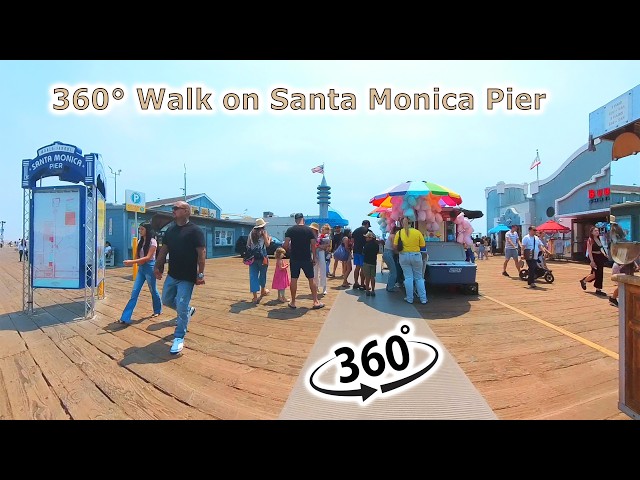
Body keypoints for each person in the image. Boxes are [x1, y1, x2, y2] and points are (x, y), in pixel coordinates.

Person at [154, 200, 206, 354]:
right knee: (167, 300)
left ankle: (179, 337)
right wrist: (158, 266)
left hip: (187, 276)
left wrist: (200, 273)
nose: (173, 210)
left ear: (186, 211)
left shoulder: (195, 231)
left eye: (176, 208)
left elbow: (201, 254)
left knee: (181, 305)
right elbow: (163, 251)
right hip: (172, 274)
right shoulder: (170, 231)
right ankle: (188, 311)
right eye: (173, 208)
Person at [119, 223, 162, 324]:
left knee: (153, 290)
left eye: (142, 229)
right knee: (135, 292)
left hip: (150, 268)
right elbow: (138, 257)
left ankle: (157, 310)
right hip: (141, 268)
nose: (140, 231)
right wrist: (135, 260)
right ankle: (125, 317)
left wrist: (131, 262)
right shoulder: (140, 241)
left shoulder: (153, 242)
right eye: (139, 229)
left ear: (147, 230)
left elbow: (148, 257)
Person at [283, 213, 324, 309]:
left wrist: (289, 251)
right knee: (311, 279)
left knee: (294, 279)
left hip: (294, 258)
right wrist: (314, 257)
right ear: (303, 219)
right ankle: (315, 301)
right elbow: (313, 245)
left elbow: (285, 245)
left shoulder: (290, 230)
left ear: (295, 220)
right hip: (306, 258)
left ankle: (293, 302)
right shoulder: (309, 230)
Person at [394, 216, 427, 304]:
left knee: (408, 278)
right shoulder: (417, 232)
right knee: (419, 278)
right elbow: (423, 245)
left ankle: (409, 299)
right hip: (416, 255)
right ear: (412, 223)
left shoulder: (399, 233)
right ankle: (423, 299)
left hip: (404, 256)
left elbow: (395, 246)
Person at [246, 218, 272, 304]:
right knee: (263, 274)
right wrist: (269, 239)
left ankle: (254, 297)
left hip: (253, 258)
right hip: (262, 257)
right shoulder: (263, 232)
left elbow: (248, 245)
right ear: (262, 226)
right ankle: (263, 291)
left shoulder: (251, 233)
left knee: (253, 275)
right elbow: (267, 245)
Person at [579, 225, 608, 297]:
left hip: (600, 257)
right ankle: (584, 281)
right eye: (595, 231)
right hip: (594, 257)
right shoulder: (590, 240)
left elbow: (601, 248)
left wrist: (604, 254)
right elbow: (589, 251)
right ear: (591, 232)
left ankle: (597, 289)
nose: (597, 232)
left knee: (599, 273)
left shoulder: (599, 239)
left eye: (598, 230)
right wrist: (592, 261)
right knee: (595, 274)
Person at [351, 220, 372, 290]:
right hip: (363, 251)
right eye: (368, 225)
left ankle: (356, 283)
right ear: (366, 224)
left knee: (357, 267)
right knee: (363, 268)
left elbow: (352, 241)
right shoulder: (368, 231)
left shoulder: (355, 231)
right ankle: (363, 284)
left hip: (355, 250)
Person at [314, 223, 331, 296]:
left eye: (326, 229)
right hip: (316, 253)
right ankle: (316, 286)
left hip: (322, 253)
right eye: (323, 228)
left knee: (323, 271)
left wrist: (319, 246)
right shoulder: (317, 236)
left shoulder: (328, 237)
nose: (323, 230)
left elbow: (328, 246)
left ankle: (324, 288)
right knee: (315, 271)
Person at [383, 225, 401, 292]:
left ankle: (389, 286)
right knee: (394, 272)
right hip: (389, 254)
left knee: (392, 271)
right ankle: (390, 288)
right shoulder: (393, 236)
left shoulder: (391, 235)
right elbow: (394, 247)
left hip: (387, 254)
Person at [362, 231, 379, 296]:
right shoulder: (376, 245)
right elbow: (377, 252)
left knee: (367, 277)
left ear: (370, 238)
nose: (366, 238)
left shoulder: (366, 245)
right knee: (372, 277)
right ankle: (373, 290)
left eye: (367, 237)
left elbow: (363, 253)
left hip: (366, 262)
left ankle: (367, 290)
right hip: (373, 262)